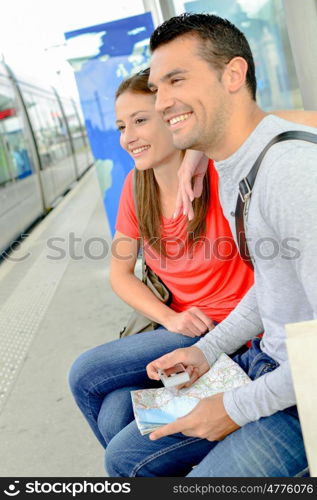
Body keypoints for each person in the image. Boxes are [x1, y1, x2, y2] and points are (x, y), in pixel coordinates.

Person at [105, 13, 317, 477]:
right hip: (269, 364)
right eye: (159, 88)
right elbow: (272, 287)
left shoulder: (292, 175)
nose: (163, 103)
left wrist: (236, 408)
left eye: (177, 79)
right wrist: (206, 351)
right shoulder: (231, 172)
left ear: (234, 74)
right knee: (123, 457)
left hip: (301, 398)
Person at [68, 69, 254, 451]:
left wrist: (199, 151)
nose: (127, 138)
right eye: (121, 126)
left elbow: (245, 115)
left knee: (85, 373)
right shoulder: (137, 188)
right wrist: (171, 317)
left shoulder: (221, 172)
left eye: (140, 121)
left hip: (236, 331)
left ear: (173, 117)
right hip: (181, 328)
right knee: (115, 412)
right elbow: (120, 273)